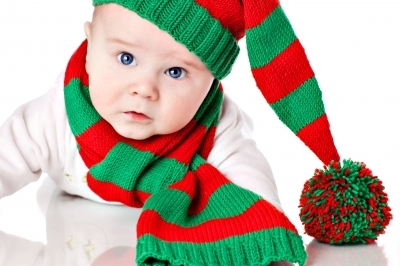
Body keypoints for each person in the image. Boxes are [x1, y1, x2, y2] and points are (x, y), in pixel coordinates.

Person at [4, 0, 390, 265]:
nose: (144, 89)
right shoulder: (56, 114)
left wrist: (260, 236)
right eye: (126, 58)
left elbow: (247, 175)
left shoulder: (216, 125)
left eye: (176, 72)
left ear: (211, 82)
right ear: (89, 45)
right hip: (63, 237)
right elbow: (9, 152)